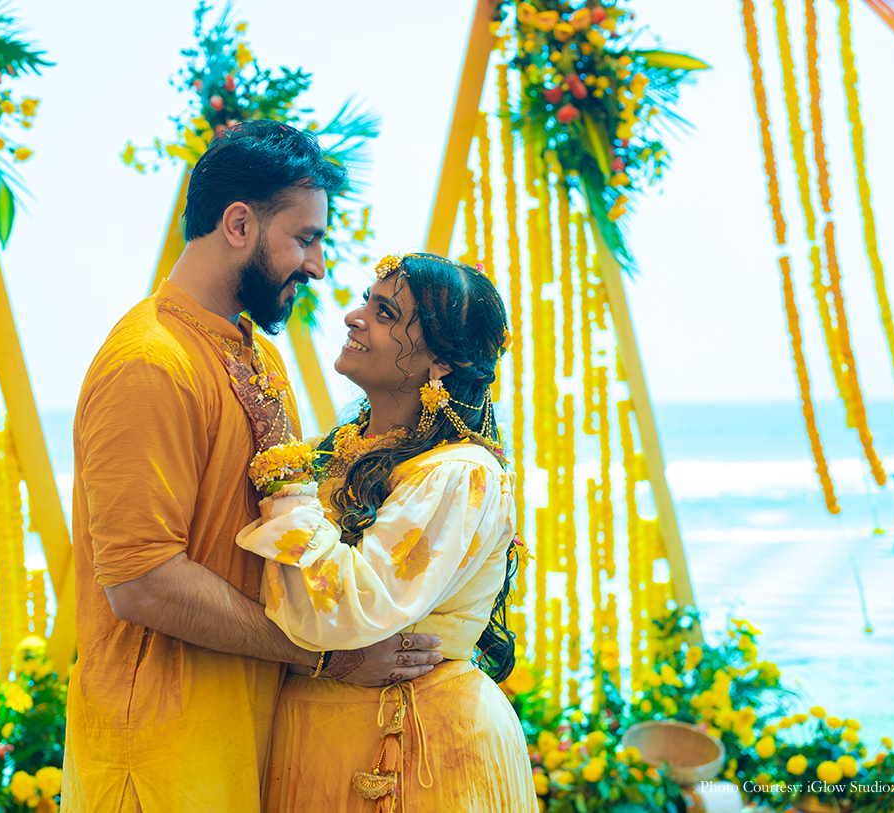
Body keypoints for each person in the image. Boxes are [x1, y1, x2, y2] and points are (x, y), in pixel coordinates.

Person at [61, 122, 444, 813]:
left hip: (237, 750)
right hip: (154, 767)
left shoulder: (254, 355)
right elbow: (142, 582)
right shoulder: (150, 363)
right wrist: (326, 656)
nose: (320, 266)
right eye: (305, 238)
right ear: (239, 224)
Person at [232, 252, 538, 812]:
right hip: (316, 742)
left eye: (385, 311)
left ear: (440, 361)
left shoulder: (459, 473)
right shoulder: (343, 453)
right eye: (366, 301)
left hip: (417, 753)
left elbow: (345, 608)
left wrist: (284, 476)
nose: (354, 316)